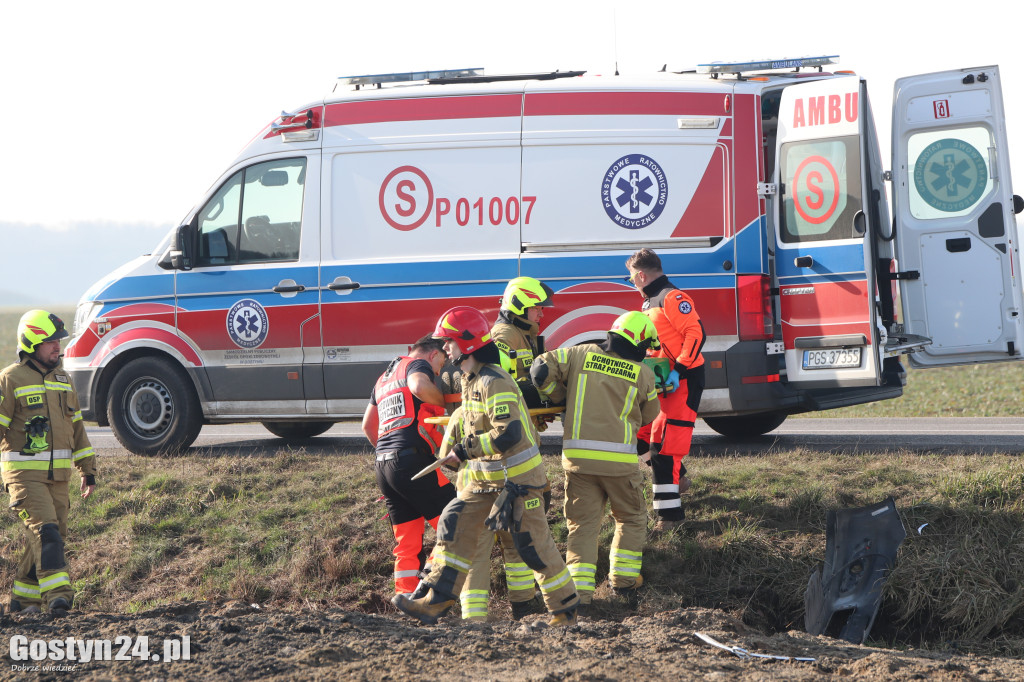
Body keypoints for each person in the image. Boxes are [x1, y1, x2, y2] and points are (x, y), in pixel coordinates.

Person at [392, 306, 579, 627]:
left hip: (519, 484)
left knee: (533, 548)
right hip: (487, 484)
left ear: (466, 343)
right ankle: (435, 602)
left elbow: (510, 433)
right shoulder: (471, 379)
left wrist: (465, 450)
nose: (444, 348)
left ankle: (565, 612)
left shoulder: (495, 382)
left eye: (448, 342)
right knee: (453, 525)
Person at [530, 311, 660, 610]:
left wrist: (559, 395)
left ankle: (579, 596)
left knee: (582, 526)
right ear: (640, 343)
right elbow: (651, 415)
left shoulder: (580, 353)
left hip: (578, 462)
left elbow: (539, 370)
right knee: (630, 519)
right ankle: (623, 585)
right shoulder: (643, 373)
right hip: (619, 465)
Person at [460, 276, 556, 621]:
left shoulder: (522, 336)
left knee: (515, 540)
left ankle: (522, 605)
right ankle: (482, 617)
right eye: (537, 307)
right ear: (519, 306)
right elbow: (503, 390)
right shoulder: (504, 338)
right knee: (503, 540)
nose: (542, 313)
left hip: (507, 459)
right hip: (499, 464)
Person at [0, 310, 96, 614]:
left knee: (47, 539)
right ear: (30, 343)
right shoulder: (10, 379)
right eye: (50, 341)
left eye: (58, 340)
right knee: (47, 534)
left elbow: (77, 428)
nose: (58, 346)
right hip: (23, 476)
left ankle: (24, 601)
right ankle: (59, 597)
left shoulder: (63, 379)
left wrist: (88, 470)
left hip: (59, 478)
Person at [361, 335, 457, 595]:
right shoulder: (417, 365)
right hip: (412, 462)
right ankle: (429, 582)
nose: (437, 374)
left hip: (384, 466)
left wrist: (391, 452)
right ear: (434, 355)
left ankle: (405, 597)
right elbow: (419, 387)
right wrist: (451, 404)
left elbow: (368, 426)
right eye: (440, 368)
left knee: (407, 543)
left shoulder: (383, 379)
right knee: (458, 521)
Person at [625, 248, 706, 532]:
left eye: (632, 278)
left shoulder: (672, 297)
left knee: (664, 448)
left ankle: (670, 519)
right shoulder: (649, 303)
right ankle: (679, 478)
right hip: (663, 381)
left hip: (683, 380)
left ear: (642, 275)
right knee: (639, 435)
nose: (632, 283)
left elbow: (697, 334)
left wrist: (678, 370)